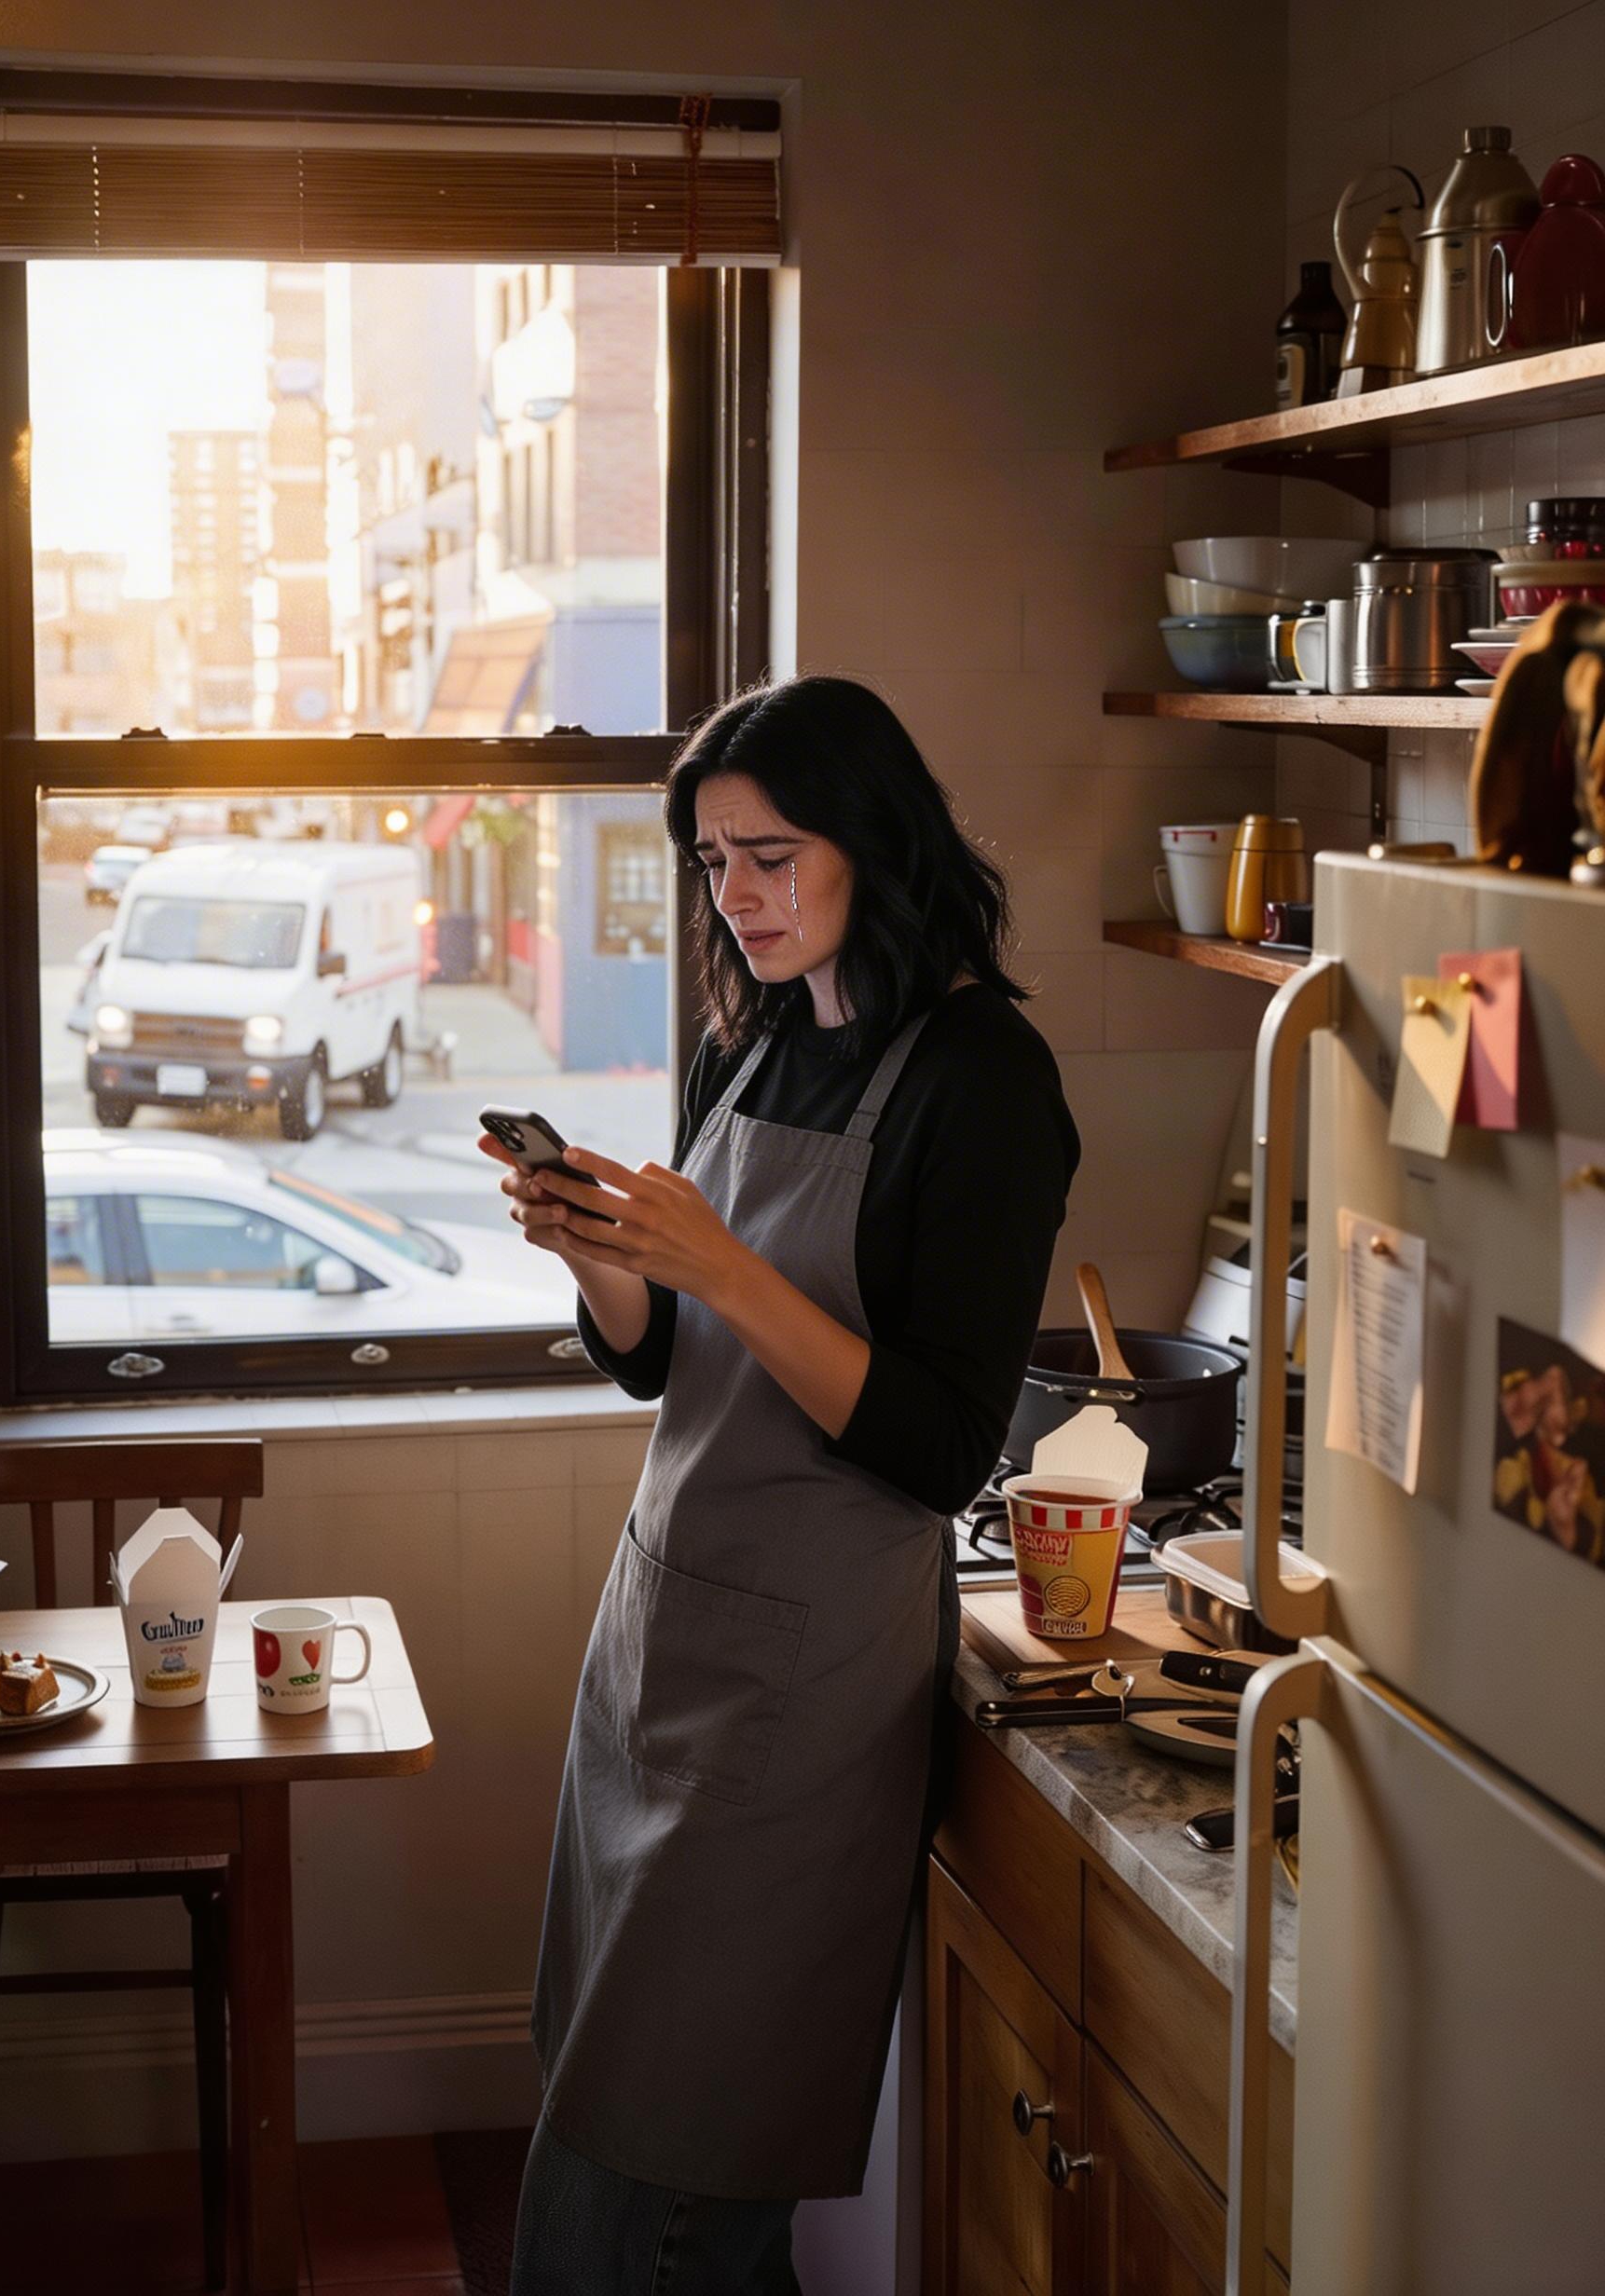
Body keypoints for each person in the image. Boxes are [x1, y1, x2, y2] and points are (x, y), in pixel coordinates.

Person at [484, 674, 1080, 2294]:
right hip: (656, 1647)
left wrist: (726, 1270)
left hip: (802, 1695)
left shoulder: (985, 1081)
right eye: (709, 863)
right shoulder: (744, 1044)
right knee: (614, 2128)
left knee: (658, 2179)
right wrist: (602, 1258)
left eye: (769, 857)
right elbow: (662, 1364)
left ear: (871, 845)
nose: (735, 899)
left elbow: (943, 1444)